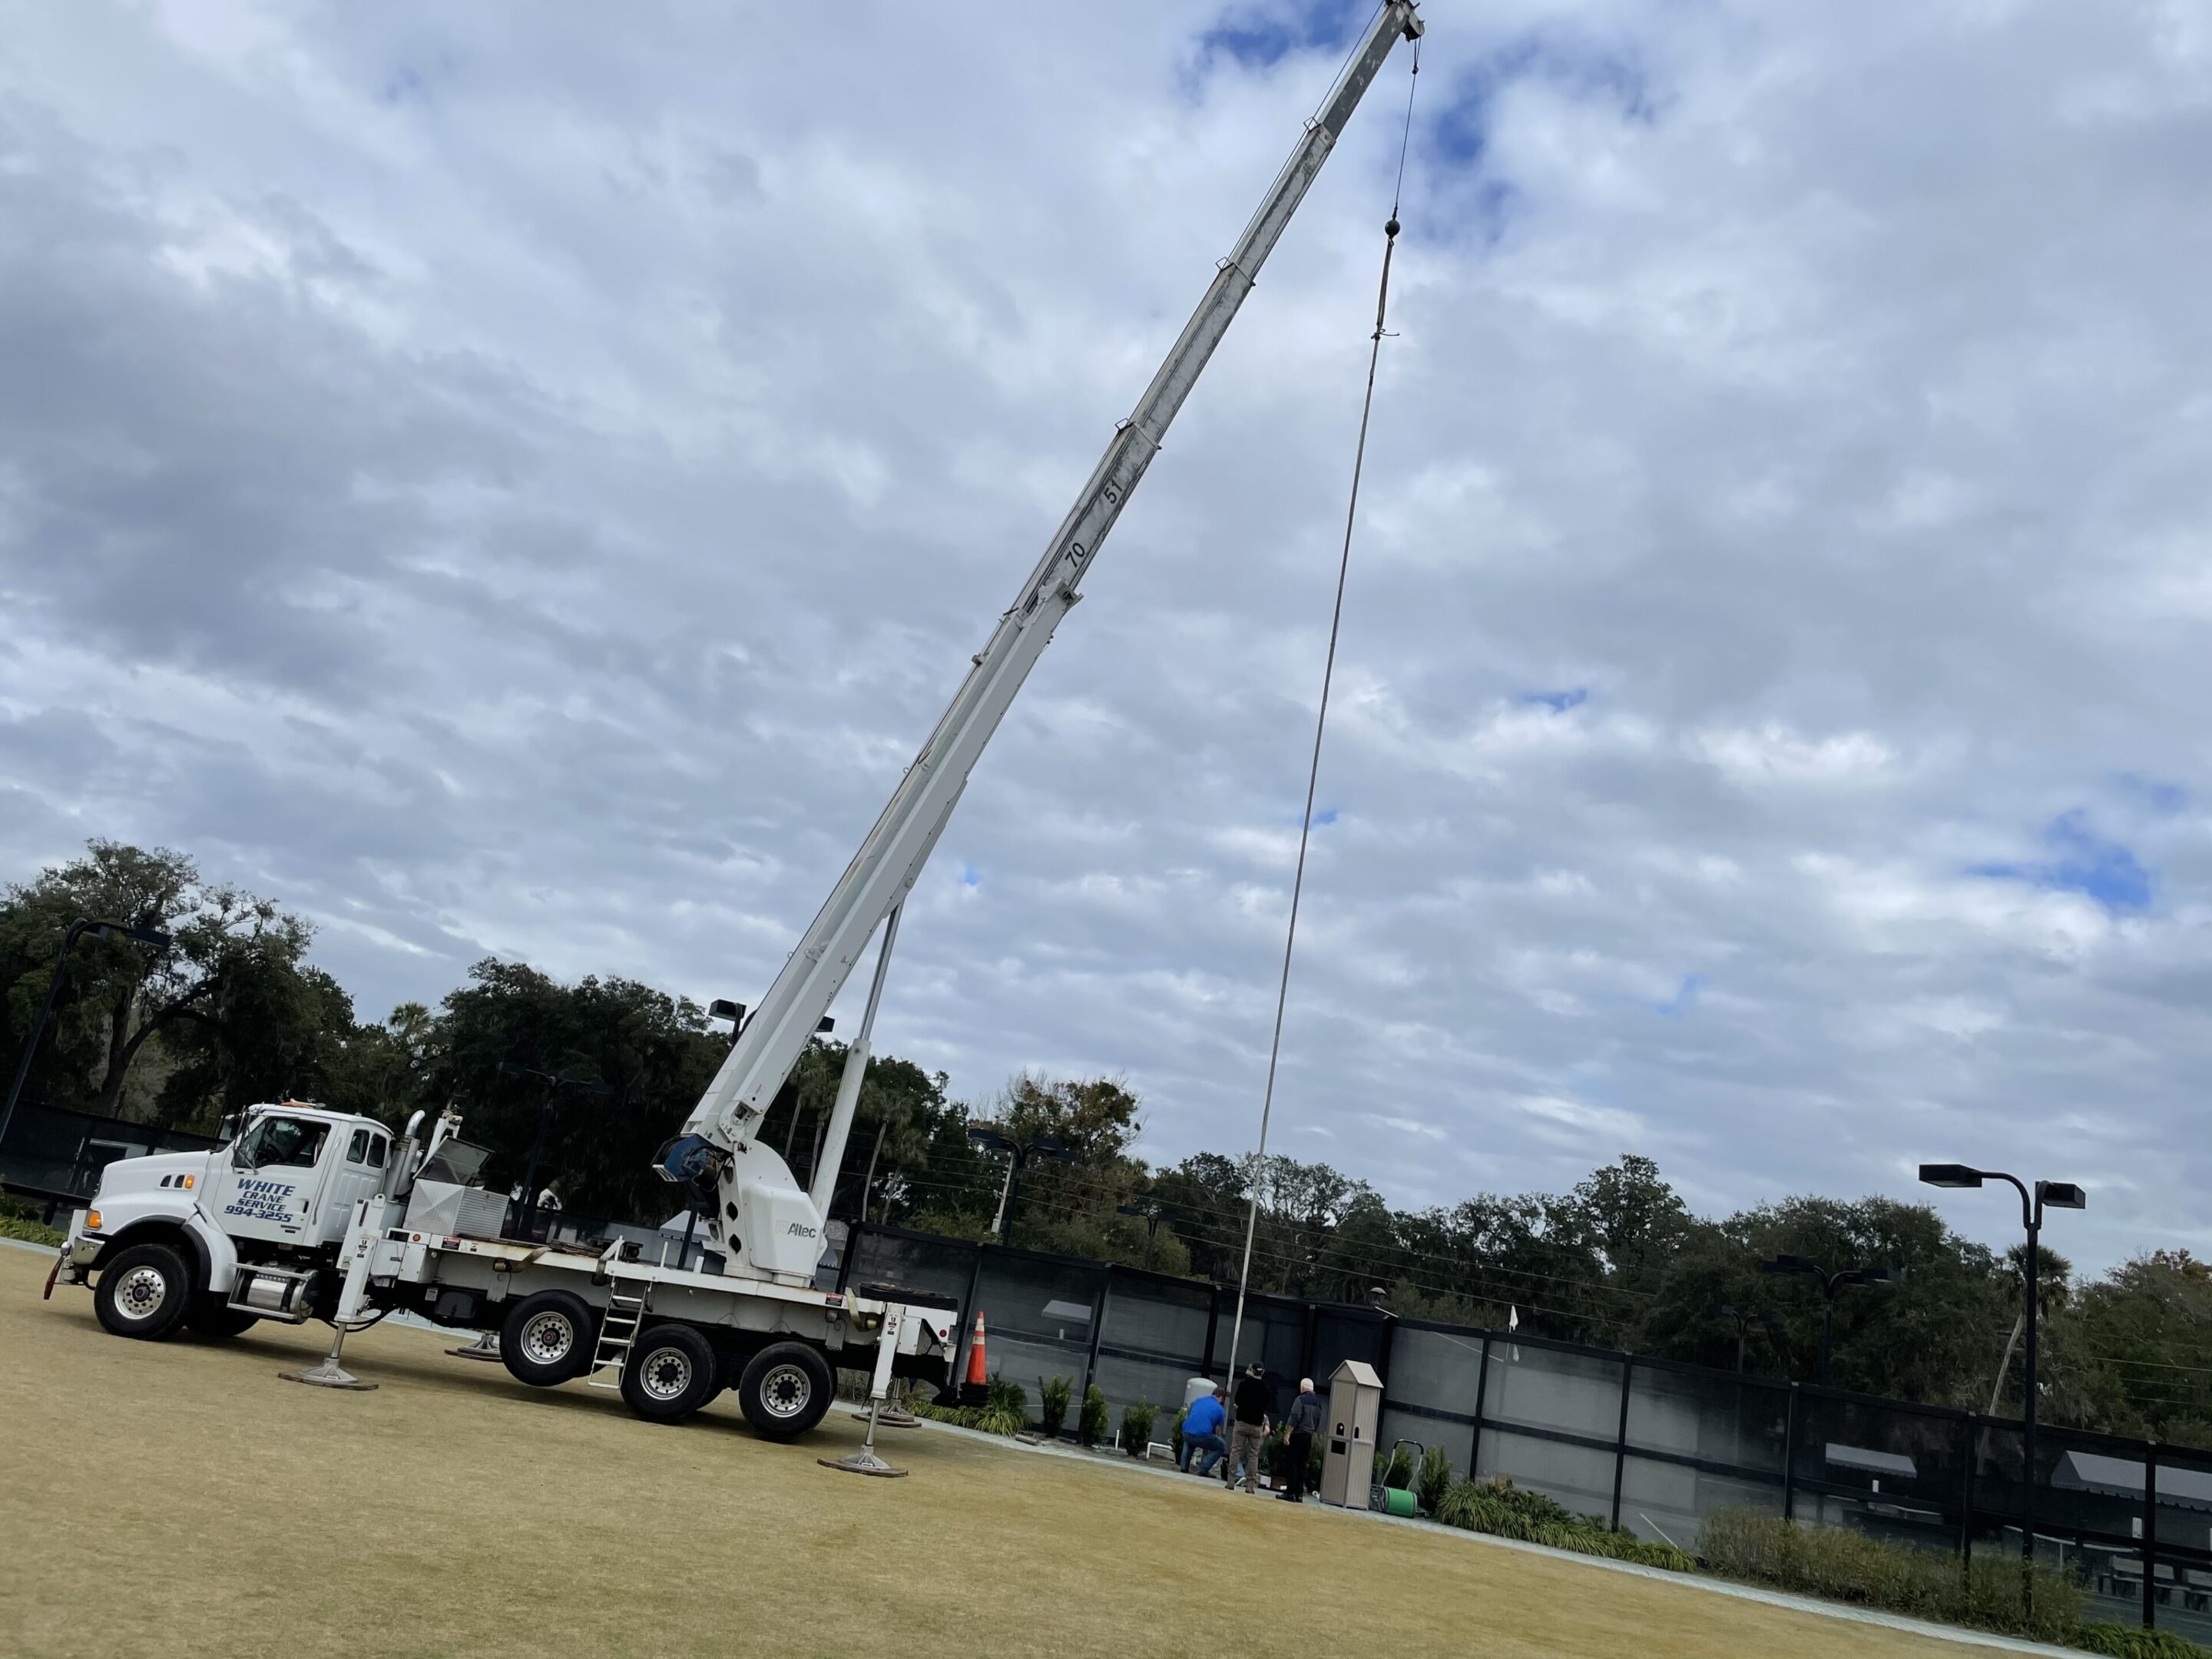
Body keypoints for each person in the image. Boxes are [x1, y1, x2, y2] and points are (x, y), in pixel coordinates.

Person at [1227, 1362, 1270, 1492]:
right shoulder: (1266, 1388)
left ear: (1251, 1370)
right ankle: (1251, 1485)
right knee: (1253, 1454)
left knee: (1236, 1451)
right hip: (1257, 1425)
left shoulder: (1243, 1384)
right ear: (1262, 1372)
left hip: (1242, 1422)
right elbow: (1266, 1404)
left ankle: (1231, 1481)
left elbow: (1238, 1401)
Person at [1278, 1376, 1323, 1502]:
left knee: (1292, 1463)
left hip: (1297, 1435)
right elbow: (1318, 1420)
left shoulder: (1300, 1400)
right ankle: (1299, 1494)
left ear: (1302, 1388)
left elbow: (1295, 1417)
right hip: (1308, 1436)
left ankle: (1290, 1492)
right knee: (1302, 1464)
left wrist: (1287, 1434)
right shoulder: (1318, 1403)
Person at [1179, 1387, 1228, 1477]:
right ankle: (1203, 1469)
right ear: (1221, 1398)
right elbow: (1217, 1430)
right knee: (1221, 1446)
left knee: (1190, 1442)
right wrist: (1215, 1439)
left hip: (1186, 1430)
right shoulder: (1220, 1409)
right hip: (1202, 1434)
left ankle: (1184, 1467)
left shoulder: (1198, 1400)